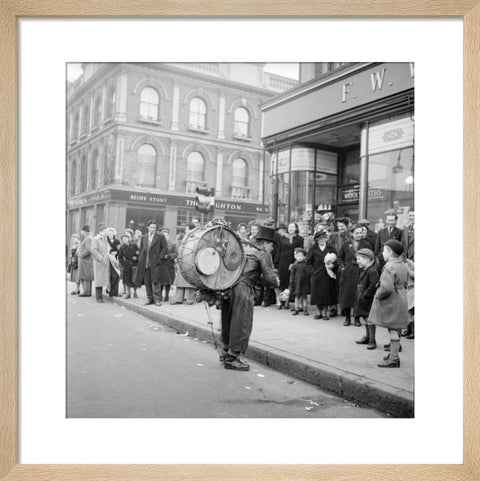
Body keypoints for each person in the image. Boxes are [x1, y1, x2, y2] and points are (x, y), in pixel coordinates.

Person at [220, 225, 279, 371]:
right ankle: (232, 358)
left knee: (228, 320)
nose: (272, 248)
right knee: (242, 322)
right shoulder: (262, 254)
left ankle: (225, 351)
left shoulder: (243, 249)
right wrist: (277, 284)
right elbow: (270, 279)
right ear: (266, 243)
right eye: (272, 245)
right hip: (243, 290)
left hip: (228, 287)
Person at [369, 240, 410, 368]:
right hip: (401, 297)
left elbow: (386, 288)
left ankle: (393, 358)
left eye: (384, 250)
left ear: (390, 252)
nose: (382, 253)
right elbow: (406, 280)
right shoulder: (403, 264)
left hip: (391, 300)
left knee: (392, 328)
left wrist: (377, 295)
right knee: (396, 327)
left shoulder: (389, 266)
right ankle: (393, 355)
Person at [338, 225, 373, 326]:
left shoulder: (366, 244)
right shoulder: (346, 244)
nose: (359, 235)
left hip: (361, 272)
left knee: (358, 295)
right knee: (347, 296)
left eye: (360, 233)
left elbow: (371, 257)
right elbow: (340, 257)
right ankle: (347, 318)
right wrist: (342, 267)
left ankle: (357, 318)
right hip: (348, 273)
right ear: (352, 234)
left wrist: (367, 268)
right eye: (356, 233)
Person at [135, 220, 169, 306]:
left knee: (156, 281)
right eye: (151, 227)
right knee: (147, 282)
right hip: (146, 263)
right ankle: (150, 299)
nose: (153, 229)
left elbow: (165, 248)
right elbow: (142, 250)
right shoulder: (144, 237)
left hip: (156, 263)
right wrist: (141, 259)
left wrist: (159, 258)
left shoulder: (160, 236)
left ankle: (157, 299)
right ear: (148, 227)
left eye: (154, 227)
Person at [306, 230, 337, 320]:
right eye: (320, 239)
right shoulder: (313, 249)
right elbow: (308, 262)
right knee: (316, 294)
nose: (322, 240)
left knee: (326, 294)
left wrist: (333, 266)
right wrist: (312, 272)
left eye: (324, 238)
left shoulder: (331, 248)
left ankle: (324, 313)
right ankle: (318, 312)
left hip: (328, 275)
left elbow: (337, 261)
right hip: (316, 275)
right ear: (316, 240)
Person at [353, 248, 380, 349]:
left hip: (368, 299)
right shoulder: (365, 270)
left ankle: (372, 340)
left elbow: (373, 284)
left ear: (367, 259)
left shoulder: (372, 271)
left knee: (369, 319)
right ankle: (368, 337)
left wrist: (365, 294)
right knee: (365, 317)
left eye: (359, 259)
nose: (357, 261)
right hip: (363, 298)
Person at [274, 222, 304, 309]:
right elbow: (279, 250)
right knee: (281, 282)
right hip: (282, 262)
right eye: (289, 227)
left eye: (292, 227)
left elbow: (300, 251)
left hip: (293, 262)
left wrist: (296, 262)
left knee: (289, 282)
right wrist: (276, 263)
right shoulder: (282, 237)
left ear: (296, 228)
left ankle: (286, 302)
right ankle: (280, 301)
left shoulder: (300, 239)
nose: (290, 229)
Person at [172, 223, 197, 305]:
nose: (185, 230)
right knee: (180, 281)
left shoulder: (195, 238)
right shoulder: (185, 237)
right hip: (182, 260)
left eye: (186, 229)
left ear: (191, 230)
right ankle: (178, 299)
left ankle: (190, 299)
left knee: (190, 280)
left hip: (190, 261)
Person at [91, 225, 110, 303]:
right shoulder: (96, 239)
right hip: (99, 262)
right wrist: (100, 258)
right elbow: (93, 250)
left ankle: (101, 296)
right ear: (103, 230)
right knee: (99, 279)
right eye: (107, 231)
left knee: (103, 279)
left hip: (105, 261)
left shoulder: (105, 239)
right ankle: (98, 297)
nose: (108, 232)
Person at [288, 248, 310, 316]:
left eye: (301, 256)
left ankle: (305, 310)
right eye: (298, 256)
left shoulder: (306, 264)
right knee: (297, 296)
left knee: (304, 296)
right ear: (295, 256)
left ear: (304, 257)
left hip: (305, 283)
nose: (299, 257)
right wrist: (291, 283)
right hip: (296, 282)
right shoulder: (294, 265)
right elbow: (292, 275)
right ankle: (296, 309)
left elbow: (308, 273)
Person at [158, 227, 178, 302]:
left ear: (168, 236)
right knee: (160, 281)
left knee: (168, 282)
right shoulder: (159, 243)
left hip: (169, 264)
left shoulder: (173, 244)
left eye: (166, 235)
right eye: (163, 235)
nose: (165, 237)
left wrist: (169, 256)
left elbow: (176, 254)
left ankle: (166, 295)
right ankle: (159, 296)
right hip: (161, 264)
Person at [117, 233, 139, 299]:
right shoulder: (122, 248)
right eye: (123, 239)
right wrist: (124, 262)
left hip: (134, 264)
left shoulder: (134, 245)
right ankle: (128, 293)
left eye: (125, 238)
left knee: (134, 279)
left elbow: (139, 253)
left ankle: (135, 292)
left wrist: (136, 257)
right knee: (127, 280)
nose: (124, 240)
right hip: (127, 265)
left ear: (128, 239)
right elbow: (120, 257)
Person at [77, 225, 94, 297]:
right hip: (85, 260)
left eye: (81, 230)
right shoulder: (86, 238)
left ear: (84, 231)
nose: (80, 232)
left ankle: (86, 292)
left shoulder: (88, 239)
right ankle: (86, 291)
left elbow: (88, 250)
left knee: (86, 276)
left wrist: (81, 255)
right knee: (84, 276)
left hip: (86, 260)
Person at [106, 227, 121, 297]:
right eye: (109, 233)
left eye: (112, 233)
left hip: (115, 260)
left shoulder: (117, 241)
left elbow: (119, 249)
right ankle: (108, 289)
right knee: (108, 275)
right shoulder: (105, 240)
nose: (111, 234)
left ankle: (114, 291)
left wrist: (116, 253)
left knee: (115, 275)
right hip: (107, 260)